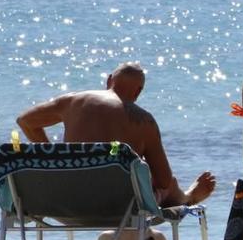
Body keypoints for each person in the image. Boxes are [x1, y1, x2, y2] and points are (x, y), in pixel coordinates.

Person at [17, 62, 215, 207]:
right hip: (121, 207)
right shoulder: (144, 121)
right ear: (138, 92)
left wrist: (54, 154)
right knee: (169, 184)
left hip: (67, 202)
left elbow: (25, 121)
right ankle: (188, 198)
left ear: (109, 80)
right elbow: (163, 181)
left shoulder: (72, 101)